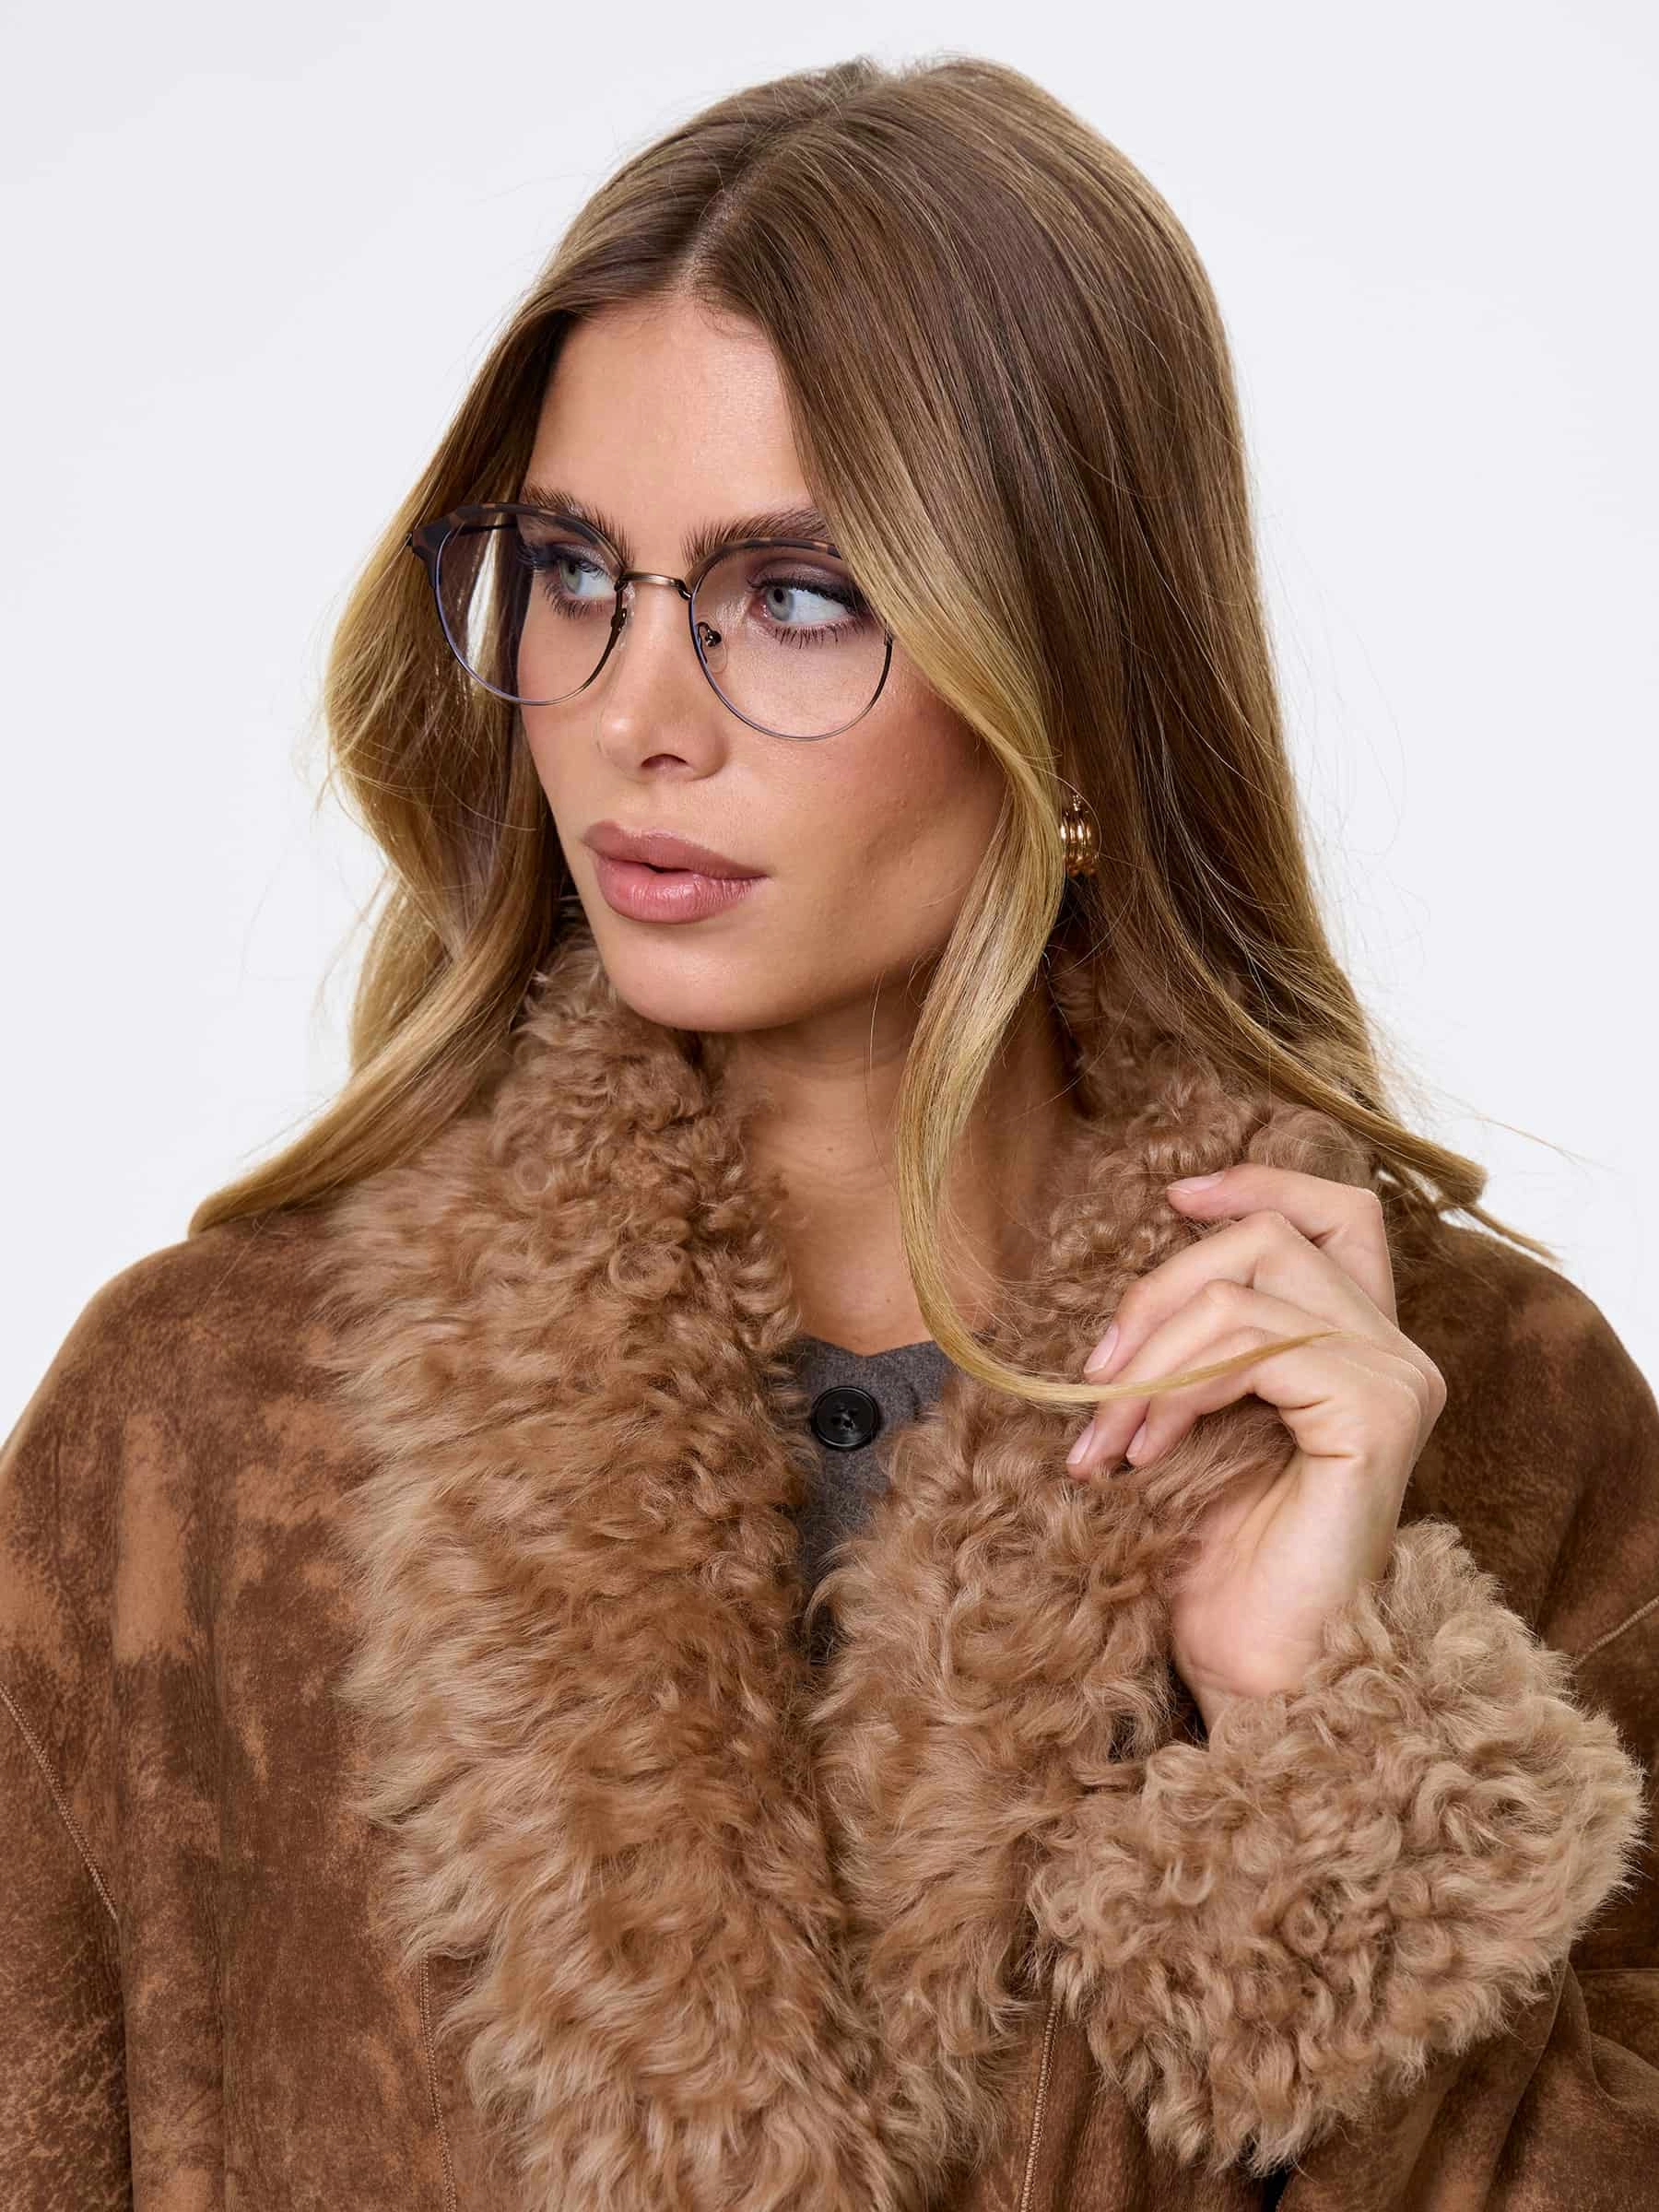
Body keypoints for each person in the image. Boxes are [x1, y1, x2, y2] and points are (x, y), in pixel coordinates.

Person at [3, 50, 1656, 2212]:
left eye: (795, 596)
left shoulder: (1490, 1424)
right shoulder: (201, 1444)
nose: (632, 715)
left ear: (1074, 683)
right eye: (573, 573)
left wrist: (1317, 1722)